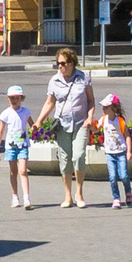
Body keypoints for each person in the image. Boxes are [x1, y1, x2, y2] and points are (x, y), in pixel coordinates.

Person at [37, 47, 95, 209]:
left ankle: (79, 193)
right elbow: (50, 103)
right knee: (65, 160)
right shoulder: (54, 81)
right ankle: (67, 195)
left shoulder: (83, 77)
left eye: (62, 63)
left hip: (81, 123)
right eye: (58, 64)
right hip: (62, 125)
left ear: (71, 63)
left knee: (78, 156)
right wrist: (39, 120)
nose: (60, 67)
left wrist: (90, 117)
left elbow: (91, 100)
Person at [0, 85, 34, 209]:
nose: (14, 100)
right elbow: (0, 132)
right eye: (12, 98)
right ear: (8, 99)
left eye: (17, 98)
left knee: (23, 170)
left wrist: (36, 131)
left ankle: (26, 198)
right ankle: (15, 196)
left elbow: (32, 125)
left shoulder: (26, 112)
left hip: (23, 145)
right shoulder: (5, 114)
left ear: (21, 98)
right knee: (13, 172)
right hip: (10, 147)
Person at [99, 94, 132, 209]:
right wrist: (90, 126)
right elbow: (95, 129)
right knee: (113, 176)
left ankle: (128, 192)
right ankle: (116, 198)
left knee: (124, 175)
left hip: (121, 153)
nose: (103, 109)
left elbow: (127, 136)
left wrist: (129, 151)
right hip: (109, 153)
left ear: (114, 108)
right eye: (103, 107)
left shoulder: (120, 121)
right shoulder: (103, 119)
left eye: (106, 107)